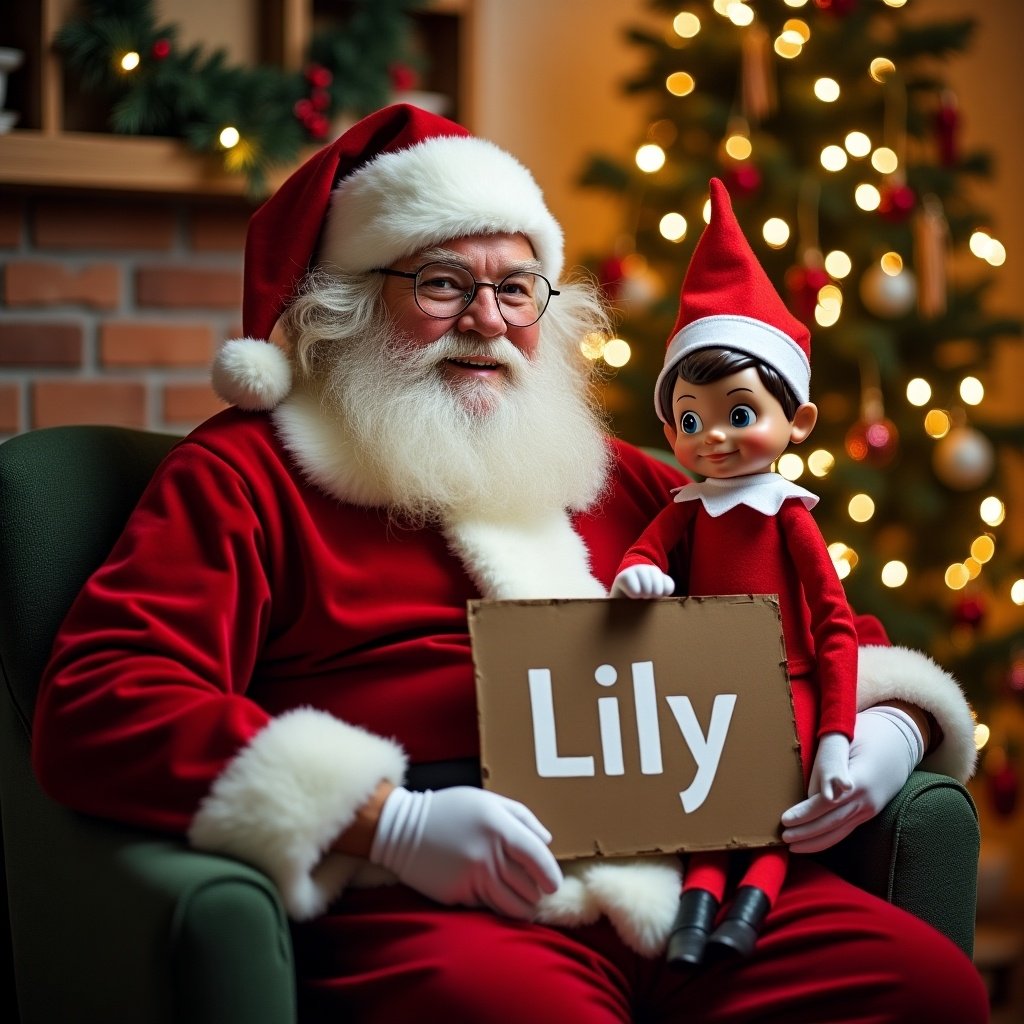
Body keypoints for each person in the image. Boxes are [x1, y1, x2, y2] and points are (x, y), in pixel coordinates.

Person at [32, 104, 987, 1022]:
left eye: (517, 286)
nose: (487, 319)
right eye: (442, 282)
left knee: (923, 989)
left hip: (693, 882)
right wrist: (386, 821)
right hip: (435, 897)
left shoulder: (625, 480)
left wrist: (893, 729)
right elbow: (107, 696)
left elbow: (829, 629)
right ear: (349, 303)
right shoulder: (245, 474)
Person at [610, 177, 859, 965]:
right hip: (704, 685)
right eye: (690, 420)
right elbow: (648, 550)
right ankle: (694, 917)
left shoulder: (790, 518)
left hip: (786, 687)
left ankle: (749, 909)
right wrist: (639, 574)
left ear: (799, 421)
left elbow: (836, 626)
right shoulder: (686, 507)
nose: (712, 437)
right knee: (712, 812)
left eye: (739, 413)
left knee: (771, 815)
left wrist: (838, 736)